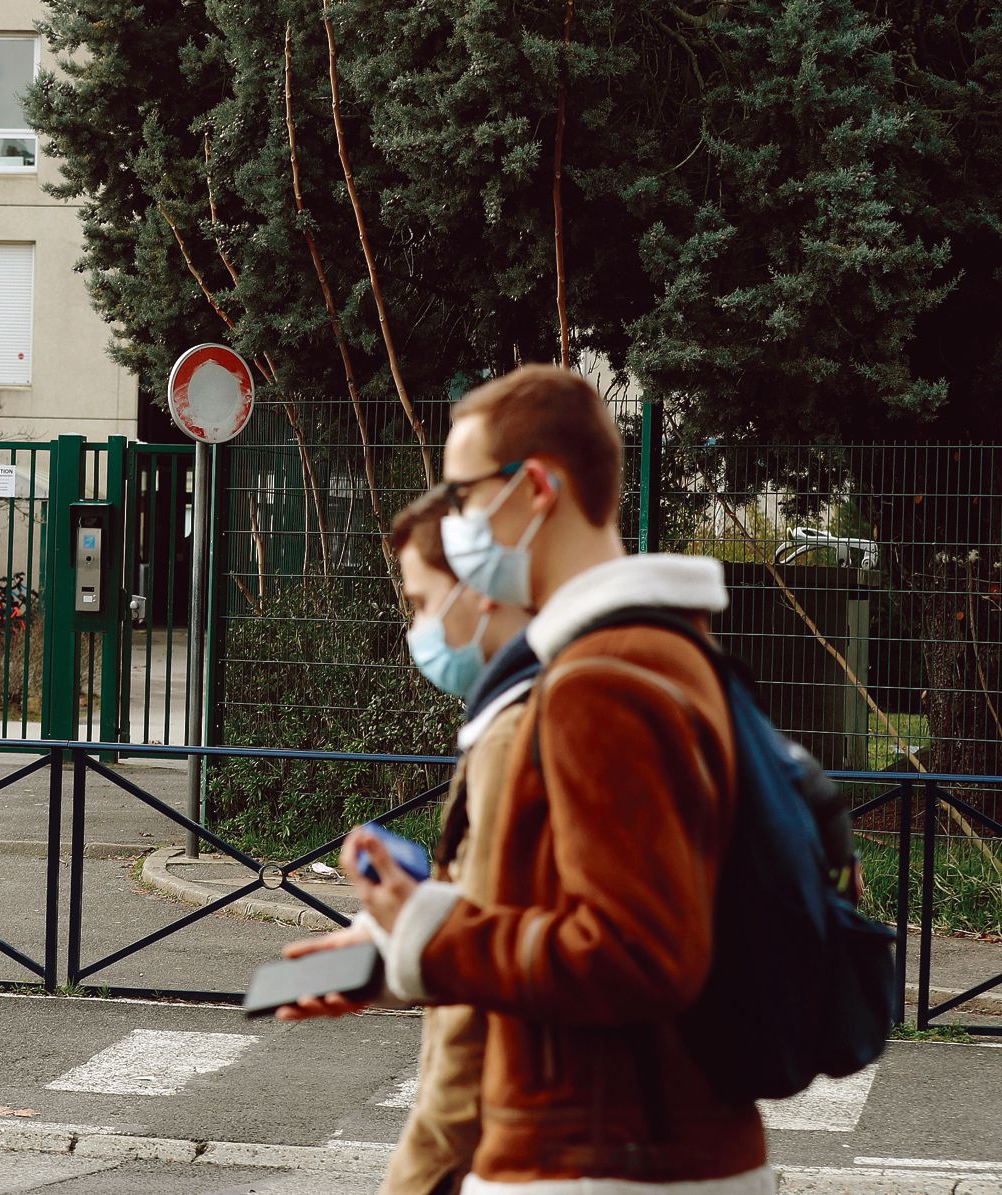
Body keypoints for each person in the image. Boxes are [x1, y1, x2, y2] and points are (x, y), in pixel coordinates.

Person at [320, 366, 757, 1192]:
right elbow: (558, 907)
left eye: (463, 491)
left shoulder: (603, 682)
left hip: (594, 1160)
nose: (452, 518)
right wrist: (397, 944)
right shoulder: (651, 656)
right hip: (623, 1150)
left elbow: (639, 952)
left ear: (537, 487)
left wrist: (428, 936)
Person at [279, 492, 538, 1195]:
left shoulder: (519, 736)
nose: (415, 628)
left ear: (479, 594)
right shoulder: (521, 715)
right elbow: (501, 927)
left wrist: (419, 1175)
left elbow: (480, 1005)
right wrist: (389, 954)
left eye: (422, 603)